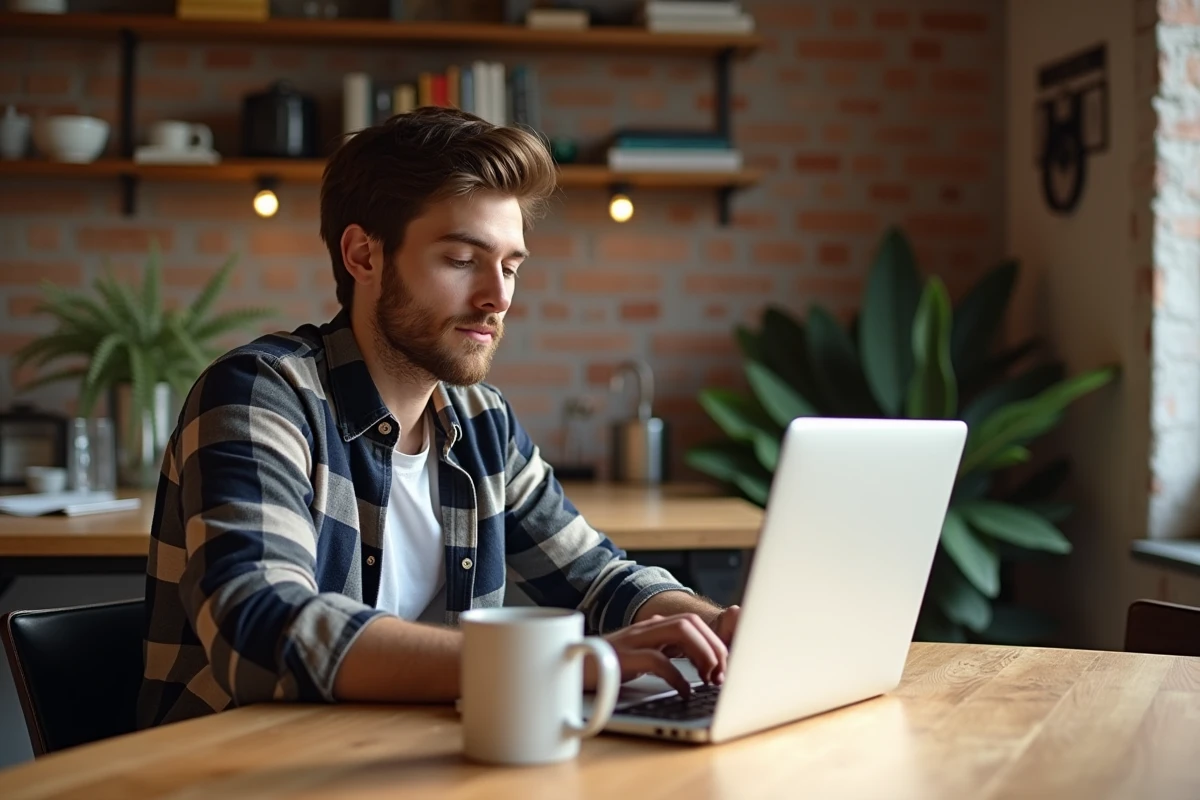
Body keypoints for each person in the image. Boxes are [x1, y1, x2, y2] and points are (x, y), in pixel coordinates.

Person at [137, 107, 740, 729]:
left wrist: (711, 624)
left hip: (415, 765)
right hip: (242, 775)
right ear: (363, 256)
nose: (499, 297)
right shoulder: (263, 393)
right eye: (461, 259)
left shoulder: (482, 420)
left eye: (510, 266)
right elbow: (259, 626)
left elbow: (597, 578)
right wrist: (551, 662)